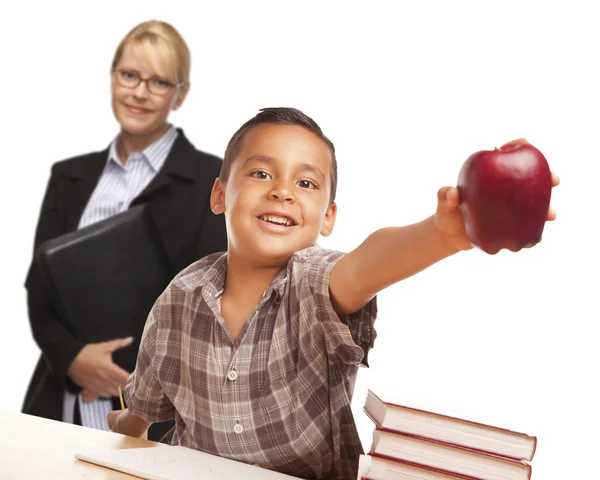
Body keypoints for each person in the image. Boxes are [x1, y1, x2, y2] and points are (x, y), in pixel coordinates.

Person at [107, 107, 559, 479]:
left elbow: (367, 264)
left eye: (306, 183)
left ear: (327, 217)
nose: (283, 191)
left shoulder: (313, 284)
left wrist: (442, 234)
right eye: (262, 173)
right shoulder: (181, 296)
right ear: (221, 194)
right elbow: (145, 402)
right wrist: (125, 428)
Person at [22, 20, 227, 443]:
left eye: (158, 82)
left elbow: (212, 307)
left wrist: (141, 381)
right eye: (129, 75)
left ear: (180, 93)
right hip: (62, 405)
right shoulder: (69, 176)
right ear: (113, 76)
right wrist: (72, 360)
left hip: (156, 416)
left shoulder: (214, 180)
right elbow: (39, 290)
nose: (139, 92)